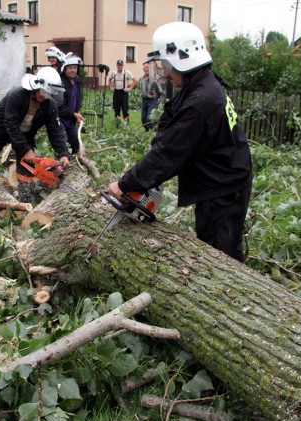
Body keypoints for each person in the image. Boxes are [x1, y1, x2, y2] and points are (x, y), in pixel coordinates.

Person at [108, 22, 253, 263]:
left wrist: (127, 183)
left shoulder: (201, 100)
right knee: (214, 244)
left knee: (221, 256)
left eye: (166, 65)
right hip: (222, 178)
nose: (165, 72)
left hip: (224, 187)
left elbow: (169, 154)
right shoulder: (200, 85)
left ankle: (232, 298)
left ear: (181, 59)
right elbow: (170, 118)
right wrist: (150, 168)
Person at [0, 67, 70, 203]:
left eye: (49, 94)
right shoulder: (17, 95)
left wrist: (63, 153)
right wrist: (26, 149)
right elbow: (10, 124)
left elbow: (56, 130)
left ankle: (25, 199)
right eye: (44, 92)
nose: (45, 96)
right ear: (36, 86)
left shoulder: (49, 106)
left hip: (26, 132)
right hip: (0, 126)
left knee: (27, 166)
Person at [59, 53, 85, 154]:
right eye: (70, 68)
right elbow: (60, 107)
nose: (73, 70)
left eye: (75, 68)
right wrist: (74, 114)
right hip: (61, 120)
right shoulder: (61, 84)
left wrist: (76, 113)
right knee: (63, 145)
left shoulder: (77, 82)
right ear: (65, 69)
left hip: (70, 120)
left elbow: (76, 99)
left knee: (75, 145)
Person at [139, 61, 163, 131]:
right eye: (145, 67)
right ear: (143, 68)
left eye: (148, 68)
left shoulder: (155, 79)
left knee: (149, 118)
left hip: (153, 100)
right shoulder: (141, 78)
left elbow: (160, 91)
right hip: (144, 100)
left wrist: (156, 98)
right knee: (143, 118)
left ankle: (151, 132)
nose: (146, 69)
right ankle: (148, 132)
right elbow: (140, 89)